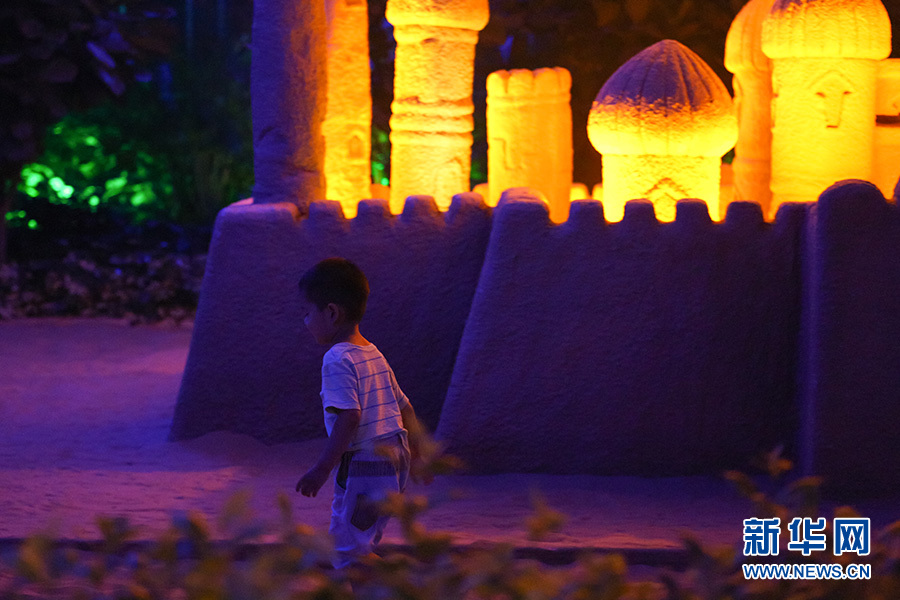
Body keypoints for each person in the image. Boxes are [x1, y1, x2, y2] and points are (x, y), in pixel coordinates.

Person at [295, 257, 428, 568]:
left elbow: (349, 417)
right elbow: (404, 407)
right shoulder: (373, 353)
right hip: (394, 462)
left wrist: (321, 469)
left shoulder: (337, 358)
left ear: (331, 313)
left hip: (365, 466)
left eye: (307, 312)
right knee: (358, 543)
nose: (305, 321)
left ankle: (391, 587)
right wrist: (419, 456)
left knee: (348, 552)